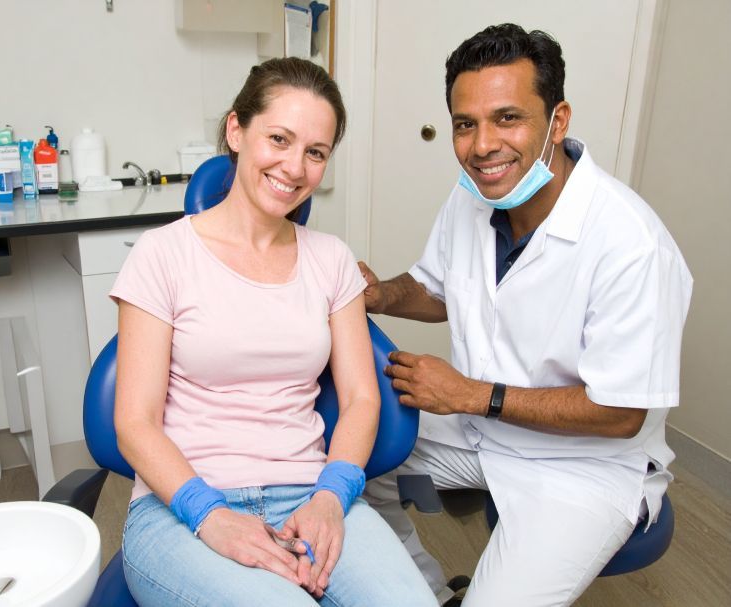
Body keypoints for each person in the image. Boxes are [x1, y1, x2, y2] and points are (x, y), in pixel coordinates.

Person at [361, 23, 693, 607]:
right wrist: (382, 294)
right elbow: (440, 289)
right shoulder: (473, 196)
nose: (482, 145)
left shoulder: (631, 244)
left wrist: (471, 394)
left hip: (584, 470)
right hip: (480, 437)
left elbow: (621, 412)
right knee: (352, 464)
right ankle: (430, 594)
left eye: (507, 118)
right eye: (466, 124)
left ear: (557, 121)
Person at [110, 57, 436, 607]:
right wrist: (210, 515)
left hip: (310, 495)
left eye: (315, 152)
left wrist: (332, 497)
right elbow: (133, 423)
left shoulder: (332, 261)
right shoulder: (162, 254)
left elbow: (360, 398)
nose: (294, 167)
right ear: (237, 131)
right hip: (180, 508)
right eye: (279, 139)